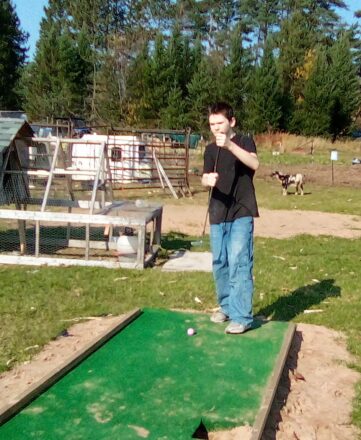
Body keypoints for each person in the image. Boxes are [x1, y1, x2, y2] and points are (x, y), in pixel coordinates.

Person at [201, 102, 259, 334]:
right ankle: (225, 306)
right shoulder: (209, 150)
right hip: (217, 211)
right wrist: (207, 181)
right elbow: (205, 178)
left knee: (239, 260)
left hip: (241, 211)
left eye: (220, 123)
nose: (216, 128)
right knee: (220, 262)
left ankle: (242, 316)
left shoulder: (244, 142)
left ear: (232, 122)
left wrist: (231, 147)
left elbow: (255, 163)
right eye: (212, 124)